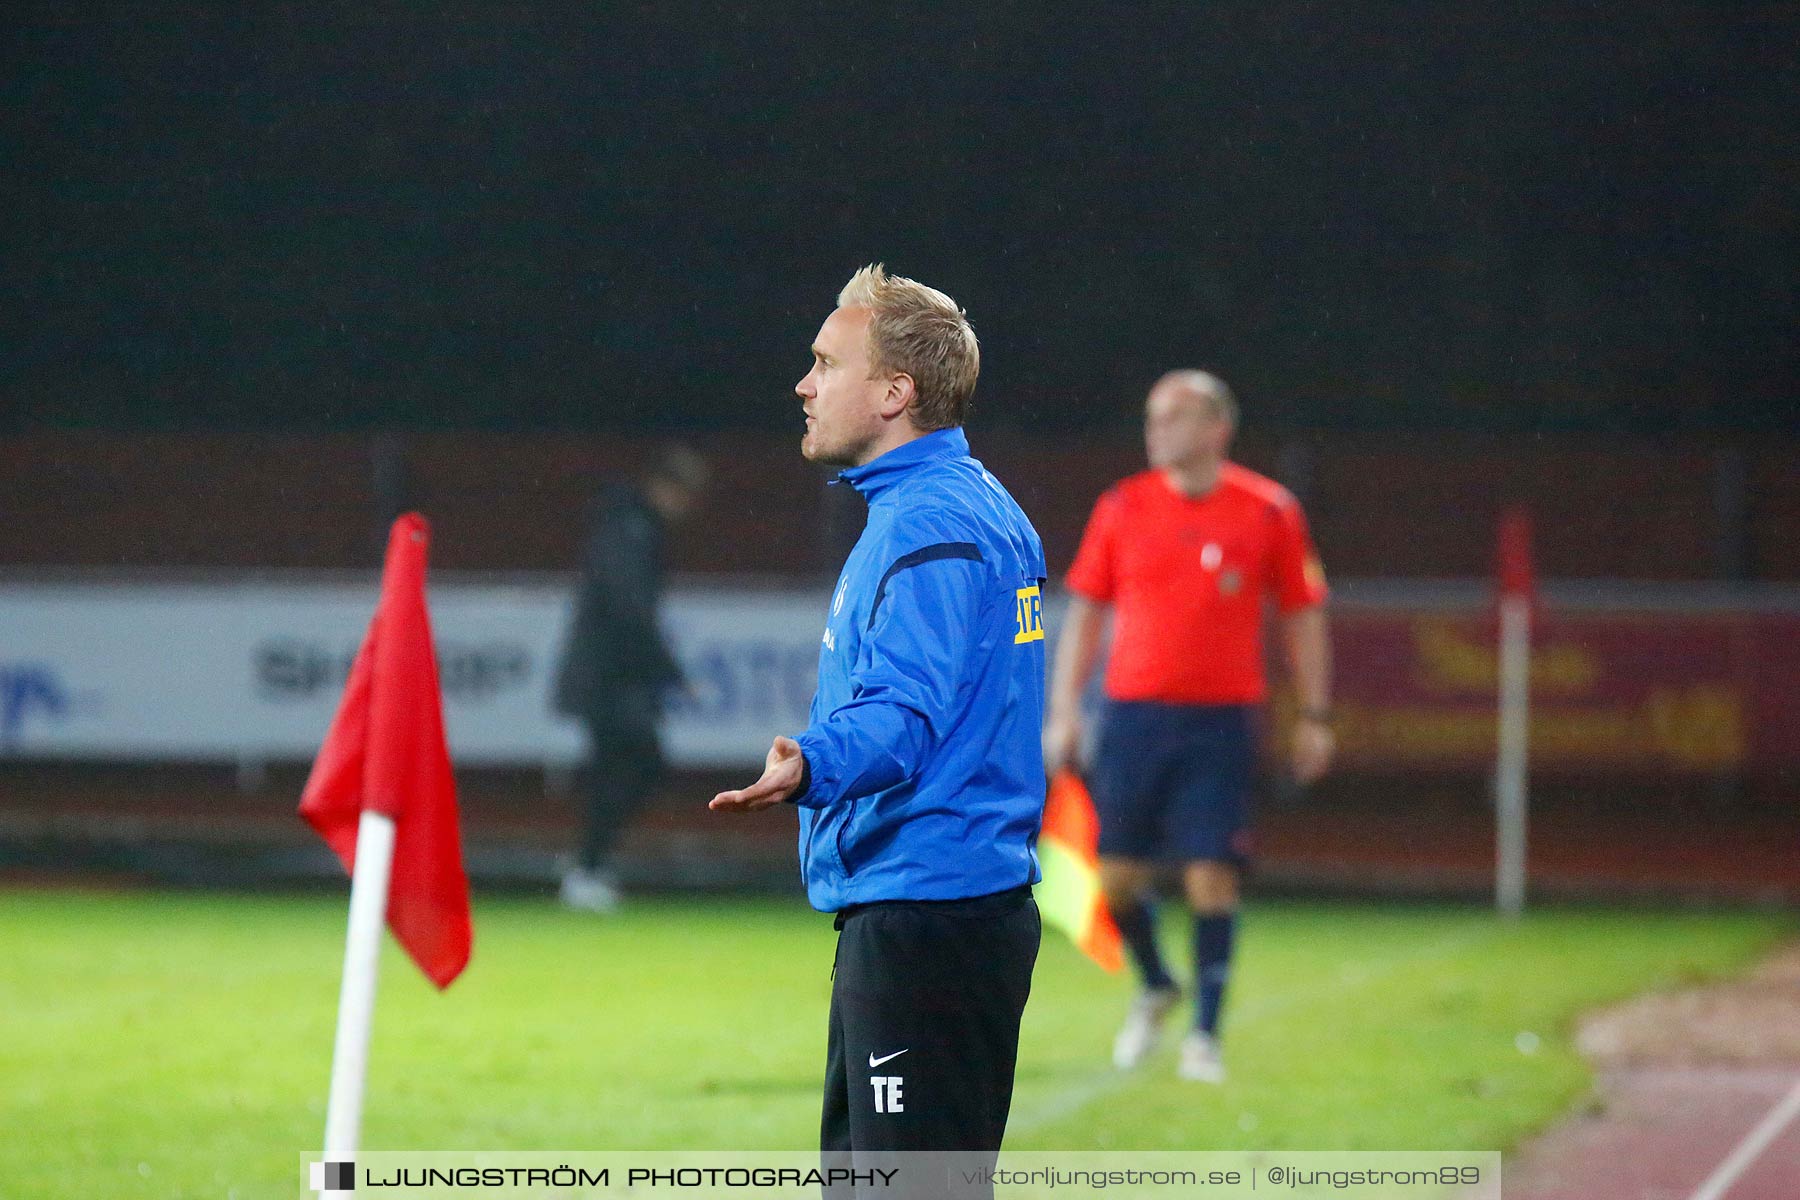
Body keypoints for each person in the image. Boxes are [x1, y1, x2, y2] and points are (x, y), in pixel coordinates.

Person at [709, 265, 1046, 1168]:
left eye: (826, 362)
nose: (804, 383)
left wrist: (811, 764)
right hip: (943, 909)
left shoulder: (925, 525)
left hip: (926, 915)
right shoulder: (971, 502)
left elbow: (904, 712)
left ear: (896, 392)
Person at [1043, 370, 1333, 1083]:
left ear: (1216, 428)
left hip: (1223, 720)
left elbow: (1303, 612)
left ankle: (1204, 1036)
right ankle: (1156, 983)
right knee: (1111, 882)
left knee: (1212, 876)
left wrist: (1316, 715)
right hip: (1133, 715)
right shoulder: (1122, 506)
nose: (1157, 429)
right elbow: (1085, 611)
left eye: (1174, 416)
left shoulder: (1269, 511)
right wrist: (1064, 709)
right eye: (1151, 416)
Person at [551, 445, 707, 912]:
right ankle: (587, 866)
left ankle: (588, 862)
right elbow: (631, 612)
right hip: (612, 679)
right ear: (669, 487)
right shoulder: (631, 530)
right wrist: (674, 675)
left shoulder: (625, 524)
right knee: (635, 766)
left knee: (618, 769)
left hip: (611, 677)